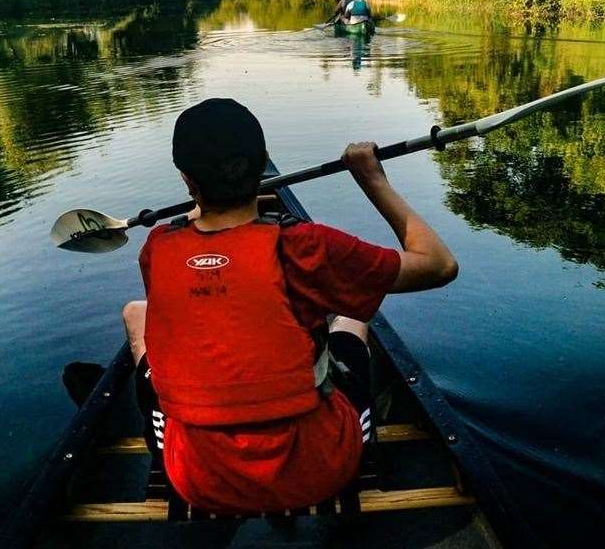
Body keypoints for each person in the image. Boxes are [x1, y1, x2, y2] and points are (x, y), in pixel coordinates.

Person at [121, 98, 458, 514]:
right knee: (354, 318)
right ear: (262, 165)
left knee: (137, 313)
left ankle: (163, 437)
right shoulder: (307, 246)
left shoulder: (157, 248)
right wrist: (372, 179)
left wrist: (201, 203)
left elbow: (213, 264)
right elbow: (439, 265)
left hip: (199, 479)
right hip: (316, 471)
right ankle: (358, 434)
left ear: (187, 180)